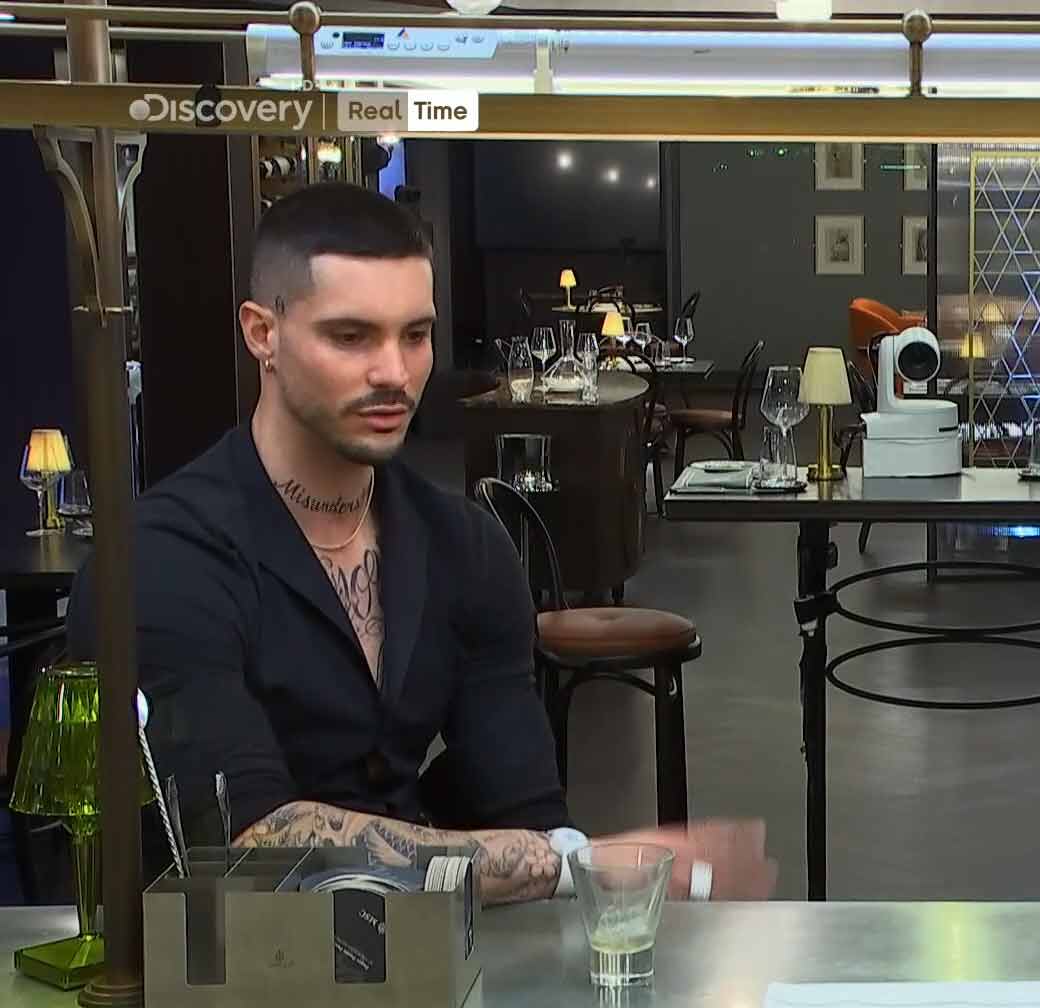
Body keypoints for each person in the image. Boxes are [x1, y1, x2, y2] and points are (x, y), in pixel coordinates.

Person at [69, 183, 776, 906]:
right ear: (262, 334)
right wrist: (584, 865)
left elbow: (522, 809)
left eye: (414, 335)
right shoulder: (161, 560)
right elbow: (245, 844)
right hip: (216, 963)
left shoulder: (463, 546)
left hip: (430, 957)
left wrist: (570, 861)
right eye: (351, 337)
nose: (394, 373)